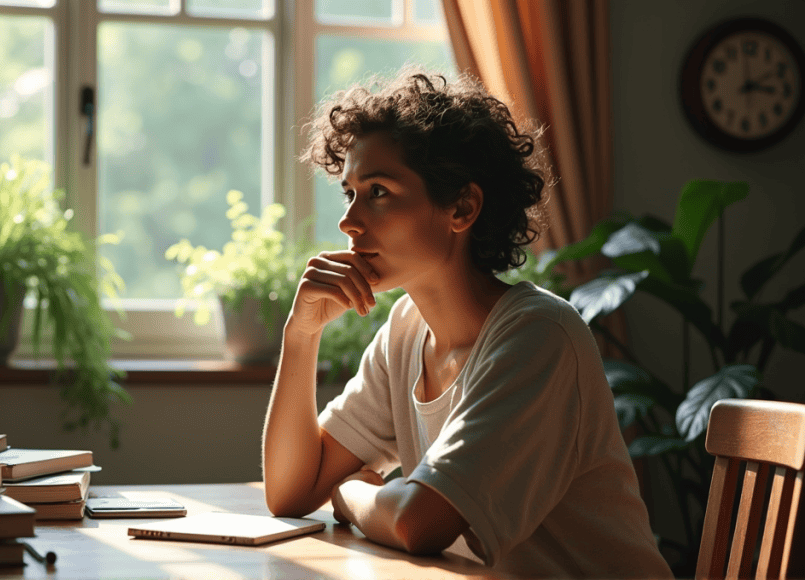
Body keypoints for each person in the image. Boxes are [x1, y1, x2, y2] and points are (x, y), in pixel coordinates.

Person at [261, 68, 673, 578]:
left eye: (379, 191)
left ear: (462, 206)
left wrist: (350, 493)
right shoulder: (406, 330)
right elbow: (290, 491)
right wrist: (300, 336)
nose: (349, 221)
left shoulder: (539, 336)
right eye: (349, 193)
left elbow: (420, 523)